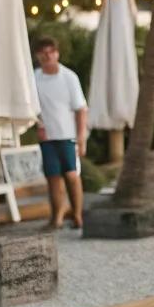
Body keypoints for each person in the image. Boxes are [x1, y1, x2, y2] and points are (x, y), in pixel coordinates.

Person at [33, 37, 87, 229]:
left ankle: (77, 214)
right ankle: (57, 217)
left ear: (57, 53)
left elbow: (81, 109)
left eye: (50, 52)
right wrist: (39, 125)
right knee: (53, 178)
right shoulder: (34, 78)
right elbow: (31, 108)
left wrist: (81, 137)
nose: (47, 56)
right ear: (38, 56)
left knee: (72, 176)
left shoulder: (69, 77)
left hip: (68, 136)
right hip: (48, 137)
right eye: (43, 53)